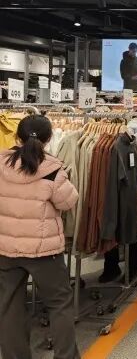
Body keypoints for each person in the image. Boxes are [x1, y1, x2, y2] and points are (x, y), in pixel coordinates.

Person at [0, 115, 80, 359]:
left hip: (6, 248)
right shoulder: (52, 170)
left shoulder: (1, 164)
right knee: (59, 303)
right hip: (44, 251)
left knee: (9, 306)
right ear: (48, 139)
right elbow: (68, 202)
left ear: (17, 136)